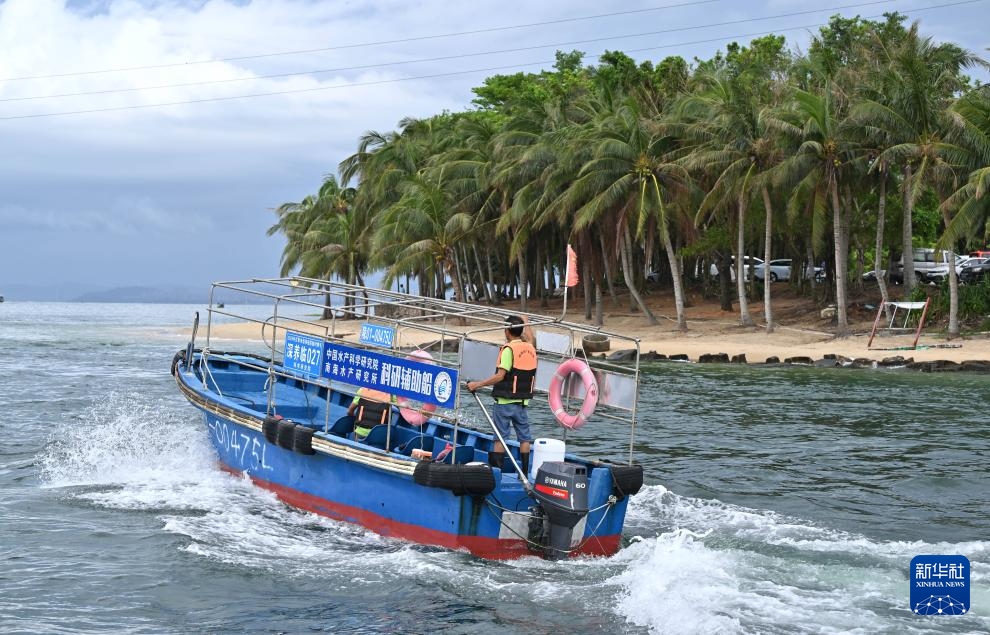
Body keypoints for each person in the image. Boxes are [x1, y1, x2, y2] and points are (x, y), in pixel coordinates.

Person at [466, 315, 537, 475]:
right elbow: (531, 338)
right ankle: (524, 474)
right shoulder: (530, 348)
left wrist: (477, 384)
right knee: (524, 438)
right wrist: (526, 322)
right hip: (522, 402)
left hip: (505, 402)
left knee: (500, 437)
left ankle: (496, 474)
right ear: (520, 331)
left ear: (507, 331)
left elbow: (500, 376)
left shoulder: (508, 350)